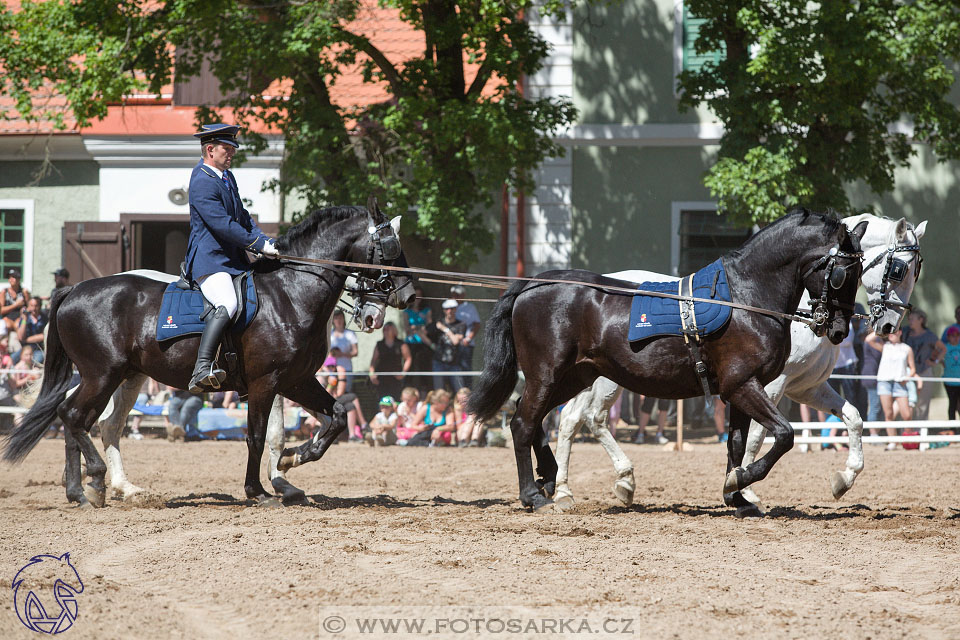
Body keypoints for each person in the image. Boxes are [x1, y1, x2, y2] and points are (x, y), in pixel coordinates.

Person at [184, 123, 278, 394]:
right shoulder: (201, 179)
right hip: (210, 260)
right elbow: (222, 224)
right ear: (210, 149)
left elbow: (242, 216)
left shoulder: (227, 177)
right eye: (227, 148)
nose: (232, 153)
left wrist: (264, 240)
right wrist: (257, 243)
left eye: (233, 148)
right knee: (228, 302)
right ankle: (202, 367)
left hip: (233, 259)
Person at [869, 329, 920, 451]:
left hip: (899, 382)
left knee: (906, 414)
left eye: (894, 331)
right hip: (884, 381)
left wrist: (907, 378)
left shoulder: (906, 348)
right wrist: (882, 329)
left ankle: (908, 438)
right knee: (889, 413)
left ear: (900, 332)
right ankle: (893, 440)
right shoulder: (885, 346)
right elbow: (868, 340)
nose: (891, 334)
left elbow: (912, 368)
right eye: (890, 332)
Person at [901, 309, 945, 421]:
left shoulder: (929, 335)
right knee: (907, 403)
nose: (909, 321)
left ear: (921, 320)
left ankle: (921, 435)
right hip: (907, 373)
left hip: (924, 372)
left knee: (923, 404)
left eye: (912, 319)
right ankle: (906, 433)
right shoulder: (904, 331)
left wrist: (934, 362)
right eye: (909, 319)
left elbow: (943, 349)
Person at [401, 285, 434, 394]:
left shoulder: (426, 310)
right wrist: (420, 328)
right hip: (410, 344)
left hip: (423, 344)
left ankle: (425, 391)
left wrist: (416, 328)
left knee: (424, 367)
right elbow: (406, 329)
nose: (418, 298)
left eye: (420, 295)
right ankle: (407, 390)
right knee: (410, 367)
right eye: (416, 295)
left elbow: (428, 327)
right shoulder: (407, 312)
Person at [429, 299, 467, 392]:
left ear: (456, 309)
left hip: (454, 362)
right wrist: (431, 345)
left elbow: (455, 342)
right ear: (444, 310)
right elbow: (422, 332)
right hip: (438, 361)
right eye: (447, 309)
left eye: (452, 309)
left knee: (460, 390)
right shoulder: (437, 323)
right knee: (439, 391)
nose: (449, 311)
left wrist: (445, 329)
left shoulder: (461, 324)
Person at [368, 321, 411, 402]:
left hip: (396, 377)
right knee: (382, 399)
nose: (386, 331)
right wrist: (372, 374)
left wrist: (403, 373)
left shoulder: (401, 344)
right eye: (384, 329)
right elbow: (373, 361)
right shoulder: (379, 344)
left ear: (394, 331)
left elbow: (408, 358)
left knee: (396, 399)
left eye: (388, 329)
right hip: (382, 377)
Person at [450, 285, 481, 379]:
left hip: (465, 344)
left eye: (458, 294)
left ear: (463, 295)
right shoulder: (449, 306)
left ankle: (467, 391)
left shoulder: (470, 307)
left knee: (465, 369)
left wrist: (468, 338)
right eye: (454, 294)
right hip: (451, 344)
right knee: (452, 369)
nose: (455, 296)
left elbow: (477, 324)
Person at [861, 330, 885, 436]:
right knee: (874, 406)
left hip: (878, 376)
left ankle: (876, 432)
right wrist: (881, 329)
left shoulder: (879, 341)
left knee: (878, 407)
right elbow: (868, 339)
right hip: (871, 376)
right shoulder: (871, 340)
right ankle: (873, 434)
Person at [329, 309, 358, 395]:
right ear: (333, 320)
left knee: (345, 392)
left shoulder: (350, 334)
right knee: (330, 393)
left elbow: (355, 352)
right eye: (336, 318)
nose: (338, 320)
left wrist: (341, 354)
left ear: (344, 319)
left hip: (346, 369)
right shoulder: (329, 334)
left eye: (340, 318)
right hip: (331, 369)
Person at [1, 268, 29, 353]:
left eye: (13, 277)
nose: (11, 279)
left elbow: (29, 306)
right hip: (7, 317)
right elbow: (1, 310)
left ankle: (22, 349)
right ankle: (5, 351)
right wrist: (15, 305)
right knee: (7, 325)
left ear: (18, 279)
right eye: (9, 277)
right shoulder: (4, 292)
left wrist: (24, 311)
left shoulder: (24, 292)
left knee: (19, 325)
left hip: (19, 317)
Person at [15, 296, 47, 363]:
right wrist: (24, 319)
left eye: (36, 306)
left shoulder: (45, 318)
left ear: (40, 306)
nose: (34, 308)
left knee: (36, 362)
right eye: (31, 306)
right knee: (12, 359)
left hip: (38, 350)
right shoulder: (25, 318)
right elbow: (20, 337)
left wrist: (25, 340)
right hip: (25, 349)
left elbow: (44, 336)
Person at [943, 326, 960, 421]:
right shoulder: (945, 348)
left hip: (959, 380)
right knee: (952, 404)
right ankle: (952, 428)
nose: (956, 337)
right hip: (949, 382)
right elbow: (938, 359)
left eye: (958, 335)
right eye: (953, 335)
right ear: (948, 337)